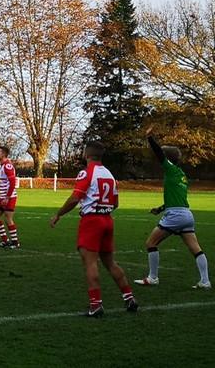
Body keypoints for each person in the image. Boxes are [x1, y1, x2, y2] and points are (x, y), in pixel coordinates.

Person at [50, 141, 138, 317]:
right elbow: (116, 203)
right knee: (110, 262)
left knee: (90, 263)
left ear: (86, 154)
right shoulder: (109, 174)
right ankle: (129, 298)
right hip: (107, 220)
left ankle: (96, 305)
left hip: (92, 221)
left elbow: (76, 198)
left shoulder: (86, 173)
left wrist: (59, 214)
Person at [134, 130, 210, 289]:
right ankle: (205, 281)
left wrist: (149, 138)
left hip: (175, 215)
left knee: (150, 243)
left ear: (167, 159)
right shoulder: (182, 174)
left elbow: (159, 153)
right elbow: (177, 198)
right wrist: (160, 208)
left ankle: (153, 278)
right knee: (196, 249)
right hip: (186, 214)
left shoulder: (170, 169)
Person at [0, 146, 20, 249]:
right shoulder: (1, 166)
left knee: (8, 218)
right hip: (3, 197)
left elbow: (12, 182)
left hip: (10, 197)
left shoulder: (7, 166)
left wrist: (7, 197)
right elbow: (3, 182)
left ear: (3, 154)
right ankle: (5, 240)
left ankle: (15, 242)